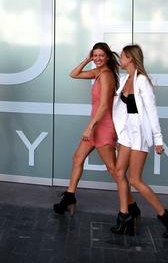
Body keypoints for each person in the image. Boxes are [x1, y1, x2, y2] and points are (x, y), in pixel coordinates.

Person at [53, 42, 140, 232]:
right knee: (78, 158)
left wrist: (89, 127)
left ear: (108, 57)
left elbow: (103, 107)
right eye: (95, 55)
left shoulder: (107, 76)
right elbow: (73, 74)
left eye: (101, 55)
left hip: (103, 126)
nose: (98, 58)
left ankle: (131, 209)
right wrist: (87, 59)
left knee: (114, 170)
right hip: (95, 126)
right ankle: (69, 197)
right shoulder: (98, 72)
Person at [112, 44, 168, 238]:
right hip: (126, 132)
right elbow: (121, 109)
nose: (120, 59)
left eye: (122, 56)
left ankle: (165, 215)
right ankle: (124, 215)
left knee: (135, 179)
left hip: (139, 134)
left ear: (130, 58)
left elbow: (152, 111)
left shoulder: (142, 81)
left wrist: (158, 139)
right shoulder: (125, 78)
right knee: (119, 172)